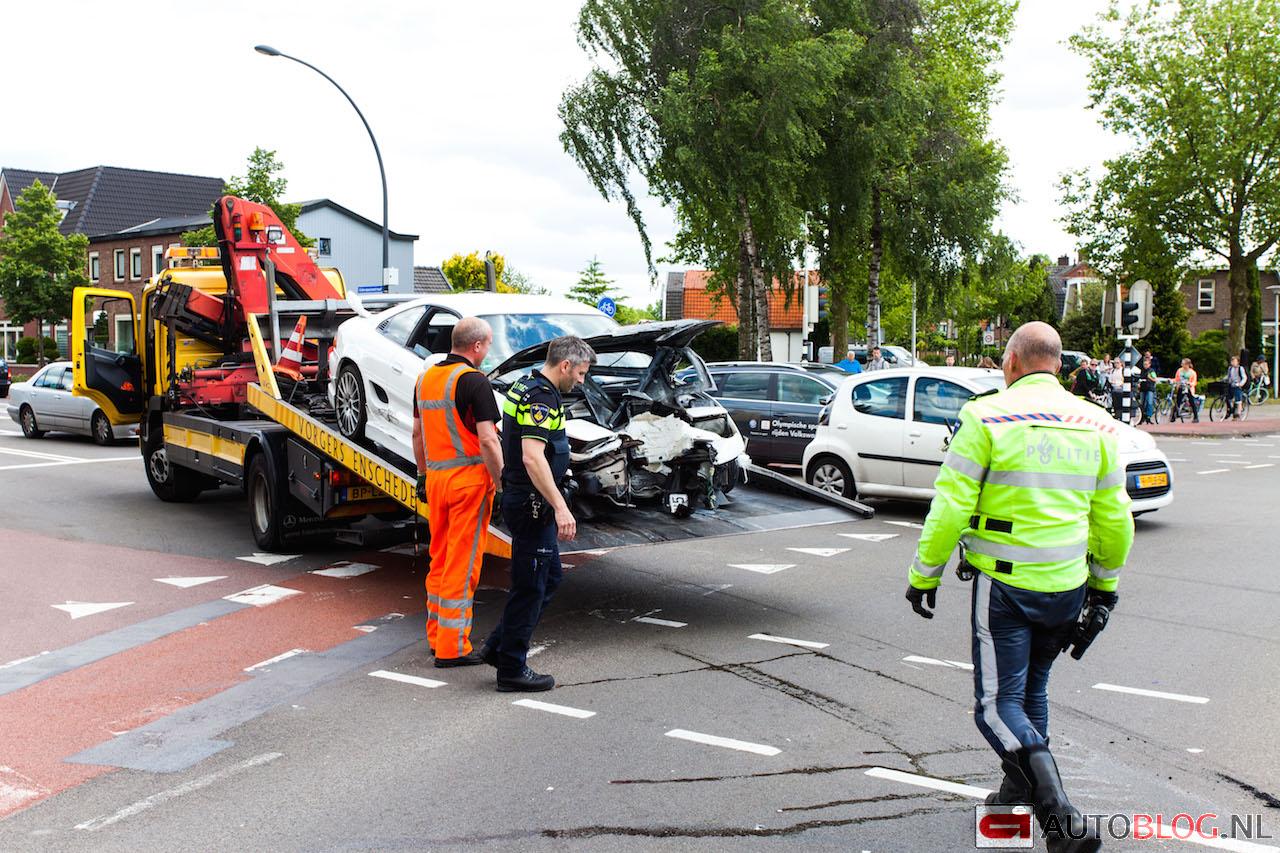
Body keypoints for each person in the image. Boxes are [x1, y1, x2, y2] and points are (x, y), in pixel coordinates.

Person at [904, 321, 1132, 853]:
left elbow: (951, 506)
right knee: (1032, 693)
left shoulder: (985, 417)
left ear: (1010, 363)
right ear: (1059, 365)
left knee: (995, 705)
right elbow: (1115, 518)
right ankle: (1015, 793)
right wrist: (1104, 589)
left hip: (1005, 585)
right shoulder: (1097, 423)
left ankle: (1059, 815)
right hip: (1068, 586)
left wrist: (924, 573)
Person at [480, 335, 595, 691]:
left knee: (549, 578)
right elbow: (532, 456)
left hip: (526, 499)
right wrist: (560, 506)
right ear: (565, 365)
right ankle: (511, 669)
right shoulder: (541, 397)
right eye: (580, 373)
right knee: (530, 586)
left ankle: (498, 648)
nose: (581, 381)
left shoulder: (526, 385)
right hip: (532, 504)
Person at [412, 318, 504, 667]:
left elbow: (417, 434)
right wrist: (502, 483)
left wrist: (422, 475)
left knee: (440, 557)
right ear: (477, 346)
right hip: (469, 483)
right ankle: (452, 648)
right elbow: (488, 440)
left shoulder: (425, 380)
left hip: (437, 481)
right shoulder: (475, 381)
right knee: (462, 565)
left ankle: (437, 637)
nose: (488, 351)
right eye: (488, 345)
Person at [1173, 358, 1200, 423]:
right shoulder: (1179, 370)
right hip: (1181, 387)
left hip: (1188, 388)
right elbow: (1176, 379)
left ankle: (1196, 417)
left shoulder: (1192, 372)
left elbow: (1194, 382)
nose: (1181, 364)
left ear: (1187, 364)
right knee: (1177, 402)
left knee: (1192, 402)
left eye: (1183, 363)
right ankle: (1173, 416)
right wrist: (1174, 382)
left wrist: (1190, 384)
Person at [1138, 355, 1158, 424]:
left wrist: (1150, 377)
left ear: (1149, 365)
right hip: (1143, 388)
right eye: (1144, 364)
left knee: (1149, 402)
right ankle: (1142, 417)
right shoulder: (1142, 371)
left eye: (1146, 364)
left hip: (1150, 388)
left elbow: (1155, 379)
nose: (1145, 366)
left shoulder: (1151, 371)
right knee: (1142, 403)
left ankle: (1148, 417)